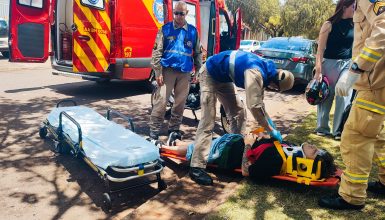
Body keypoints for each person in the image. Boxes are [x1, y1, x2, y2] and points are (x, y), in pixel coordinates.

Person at [189, 50, 295, 185]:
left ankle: (234, 147)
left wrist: (270, 124)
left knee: (239, 113)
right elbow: (254, 106)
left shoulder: (267, 71)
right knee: (208, 120)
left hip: (223, 78)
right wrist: (269, 129)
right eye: (275, 88)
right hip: (210, 73)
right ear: (275, 84)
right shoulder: (255, 72)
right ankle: (196, 166)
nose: (273, 89)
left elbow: (260, 105)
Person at [318, 0, 385, 210]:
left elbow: (383, 31)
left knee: (357, 136)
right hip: (378, 82)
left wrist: (356, 68)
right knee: (380, 136)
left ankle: (352, 197)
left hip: (376, 83)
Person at [158, 132, 336, 181]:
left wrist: (249, 143)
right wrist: (261, 135)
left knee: (196, 150)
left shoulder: (275, 162)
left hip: (227, 152)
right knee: (202, 142)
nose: (315, 147)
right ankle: (175, 143)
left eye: (316, 153)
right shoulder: (288, 151)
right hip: (233, 142)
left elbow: (246, 172)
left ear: (306, 162)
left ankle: (161, 148)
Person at [149, 1, 202, 141]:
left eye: (181, 13)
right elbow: (156, 52)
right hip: (167, 72)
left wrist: (197, 72)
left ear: (187, 13)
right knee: (161, 102)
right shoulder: (165, 29)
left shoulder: (192, 31)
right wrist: (158, 73)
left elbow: (197, 53)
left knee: (180, 103)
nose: (178, 16)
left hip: (184, 73)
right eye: (176, 13)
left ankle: (174, 130)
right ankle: (154, 131)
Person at [313, 0, 355, 140]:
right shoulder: (328, 24)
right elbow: (320, 50)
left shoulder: (355, 25)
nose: (356, 9)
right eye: (353, 6)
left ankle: (338, 131)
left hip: (347, 64)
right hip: (329, 64)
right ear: (344, 7)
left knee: (344, 94)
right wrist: (318, 70)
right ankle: (322, 128)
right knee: (326, 96)